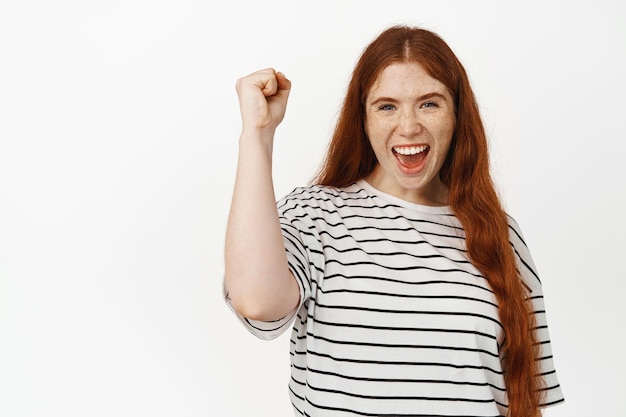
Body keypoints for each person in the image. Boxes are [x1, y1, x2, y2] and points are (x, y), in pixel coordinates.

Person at [224, 25, 564, 417]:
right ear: (363, 120)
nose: (408, 127)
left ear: (457, 116)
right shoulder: (315, 214)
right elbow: (257, 300)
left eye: (429, 104)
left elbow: (526, 399)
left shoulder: (499, 235)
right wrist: (258, 134)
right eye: (386, 106)